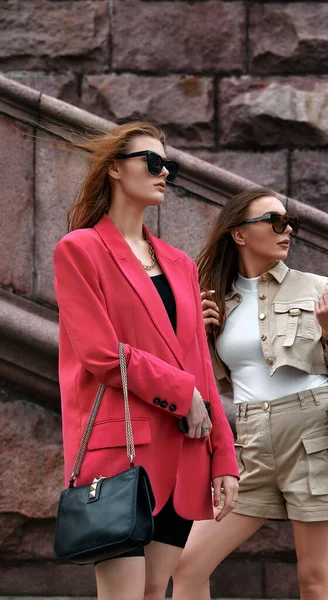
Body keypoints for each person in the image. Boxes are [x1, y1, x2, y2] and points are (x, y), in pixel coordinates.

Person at [53, 121, 239, 600]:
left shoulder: (179, 263)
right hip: (122, 453)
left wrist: (226, 458)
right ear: (115, 169)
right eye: (151, 163)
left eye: (168, 166)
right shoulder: (80, 251)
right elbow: (100, 354)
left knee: (157, 591)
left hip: (185, 451)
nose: (163, 174)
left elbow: (199, 362)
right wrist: (182, 395)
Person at [172, 188, 328, 600]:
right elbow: (197, 380)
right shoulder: (214, 300)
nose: (286, 229)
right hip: (250, 442)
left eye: (289, 221)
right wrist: (195, 334)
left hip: (314, 438)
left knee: (314, 581)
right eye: (274, 221)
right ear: (239, 234)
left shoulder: (314, 286)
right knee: (188, 568)